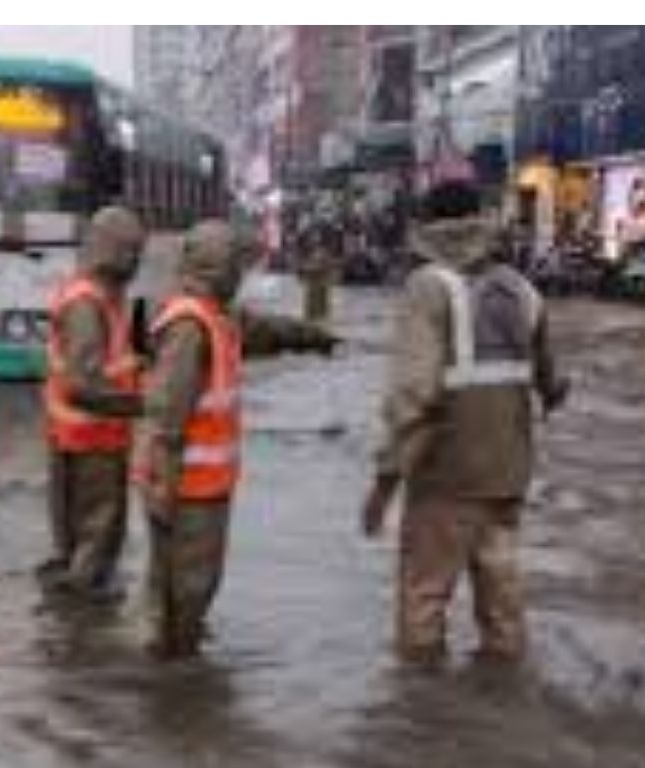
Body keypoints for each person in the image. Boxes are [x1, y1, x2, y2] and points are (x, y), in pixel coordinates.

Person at [362, 180, 568, 665]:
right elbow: (551, 384)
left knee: (424, 602)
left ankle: (421, 722)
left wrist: (385, 480)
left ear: (429, 227)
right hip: (508, 474)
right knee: (502, 604)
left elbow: (414, 394)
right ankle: (500, 705)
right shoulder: (522, 290)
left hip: (446, 477)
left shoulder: (427, 288)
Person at [135, 219, 337, 658]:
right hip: (186, 489)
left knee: (186, 587)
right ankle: (173, 680)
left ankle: (169, 666)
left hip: (201, 487)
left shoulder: (216, 317)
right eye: (235, 265)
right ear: (220, 268)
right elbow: (166, 419)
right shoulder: (190, 326)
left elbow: (265, 332)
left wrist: (313, 337)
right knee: (186, 589)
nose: (240, 274)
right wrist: (162, 490)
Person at [38, 206, 147, 605]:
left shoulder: (98, 296)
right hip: (92, 441)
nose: (136, 260)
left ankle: (66, 606)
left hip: (76, 438)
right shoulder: (88, 304)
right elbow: (82, 386)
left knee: (76, 536)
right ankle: (79, 621)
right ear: (111, 250)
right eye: (130, 250)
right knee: (98, 536)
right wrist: (144, 405)